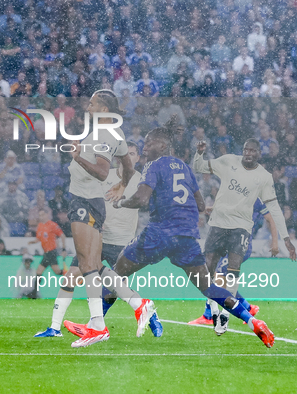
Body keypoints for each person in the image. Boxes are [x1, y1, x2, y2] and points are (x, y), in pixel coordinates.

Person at [102, 117, 276, 348]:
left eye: (149, 144)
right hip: (187, 239)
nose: (144, 148)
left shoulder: (154, 165)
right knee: (209, 288)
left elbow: (141, 199)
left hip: (159, 233)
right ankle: (253, 321)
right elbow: (201, 205)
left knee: (116, 272)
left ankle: (99, 324)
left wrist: (121, 203)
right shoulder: (184, 167)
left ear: (163, 146)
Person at [59, 89, 152, 348]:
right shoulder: (115, 133)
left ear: (102, 109)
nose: (87, 107)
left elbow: (101, 172)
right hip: (91, 201)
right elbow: (129, 167)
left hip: (85, 200)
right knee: (94, 264)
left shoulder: (102, 133)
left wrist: (77, 157)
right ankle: (129, 308)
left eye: (92, 104)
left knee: (87, 264)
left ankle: (104, 322)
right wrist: (123, 184)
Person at [192, 138, 296, 336]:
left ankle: (224, 313)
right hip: (218, 225)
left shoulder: (263, 177)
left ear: (259, 153)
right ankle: (214, 309)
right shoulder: (229, 161)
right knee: (207, 272)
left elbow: (273, 210)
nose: (248, 153)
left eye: (253, 151)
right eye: (246, 150)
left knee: (232, 271)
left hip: (240, 229)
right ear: (242, 151)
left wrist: (285, 239)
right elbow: (198, 166)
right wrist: (199, 153)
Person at [189, 198, 279, 326]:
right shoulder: (236, 192)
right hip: (228, 244)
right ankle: (247, 308)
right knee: (216, 279)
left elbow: (270, 219)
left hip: (241, 247)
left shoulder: (255, 197)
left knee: (218, 279)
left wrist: (275, 242)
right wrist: (213, 209)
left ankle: (209, 315)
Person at [28, 209, 66, 276]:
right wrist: (32, 242)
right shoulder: (40, 225)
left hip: (51, 252)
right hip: (46, 252)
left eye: (42, 215)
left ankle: (72, 275)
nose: (41, 217)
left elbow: (62, 236)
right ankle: (71, 275)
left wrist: (63, 249)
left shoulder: (52, 225)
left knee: (39, 272)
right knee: (55, 271)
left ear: (47, 215)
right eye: (40, 215)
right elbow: (38, 238)